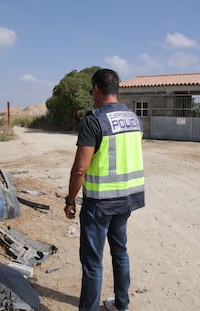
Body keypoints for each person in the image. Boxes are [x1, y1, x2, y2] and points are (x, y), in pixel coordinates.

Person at [64, 69, 145, 311]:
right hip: (127, 199)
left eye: (92, 91)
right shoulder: (133, 117)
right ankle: (122, 304)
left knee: (92, 263)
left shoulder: (94, 120)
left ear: (97, 89)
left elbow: (80, 169)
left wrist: (70, 200)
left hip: (99, 204)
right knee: (120, 252)